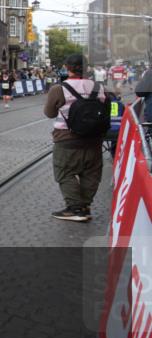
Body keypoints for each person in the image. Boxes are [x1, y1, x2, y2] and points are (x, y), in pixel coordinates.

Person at [43, 53, 107, 222]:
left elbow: (50, 113)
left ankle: (75, 208)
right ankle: (85, 206)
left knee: (65, 172)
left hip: (66, 139)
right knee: (91, 173)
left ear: (67, 67)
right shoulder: (99, 87)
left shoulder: (59, 88)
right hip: (94, 139)